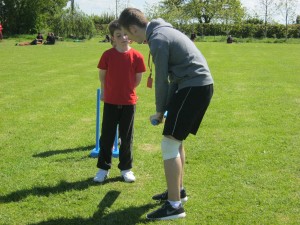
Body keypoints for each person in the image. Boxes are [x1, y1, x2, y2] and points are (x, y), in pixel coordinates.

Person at [119, 8, 214, 220]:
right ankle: (177, 192)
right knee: (176, 141)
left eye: (129, 34)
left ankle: (174, 206)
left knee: (169, 143)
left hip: (194, 87)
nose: (130, 39)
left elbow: (161, 80)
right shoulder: (162, 31)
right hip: (194, 87)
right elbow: (172, 79)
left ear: (134, 28)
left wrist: (160, 110)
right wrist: (165, 109)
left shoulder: (158, 40)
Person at [93, 19, 146, 183]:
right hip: (110, 101)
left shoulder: (137, 56)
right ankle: (103, 168)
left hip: (129, 103)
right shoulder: (107, 55)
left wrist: (127, 91)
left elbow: (137, 80)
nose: (123, 38)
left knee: (126, 137)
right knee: (107, 136)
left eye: (125, 34)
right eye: (118, 35)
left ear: (130, 36)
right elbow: (102, 75)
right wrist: (105, 90)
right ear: (112, 38)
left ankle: (126, 169)